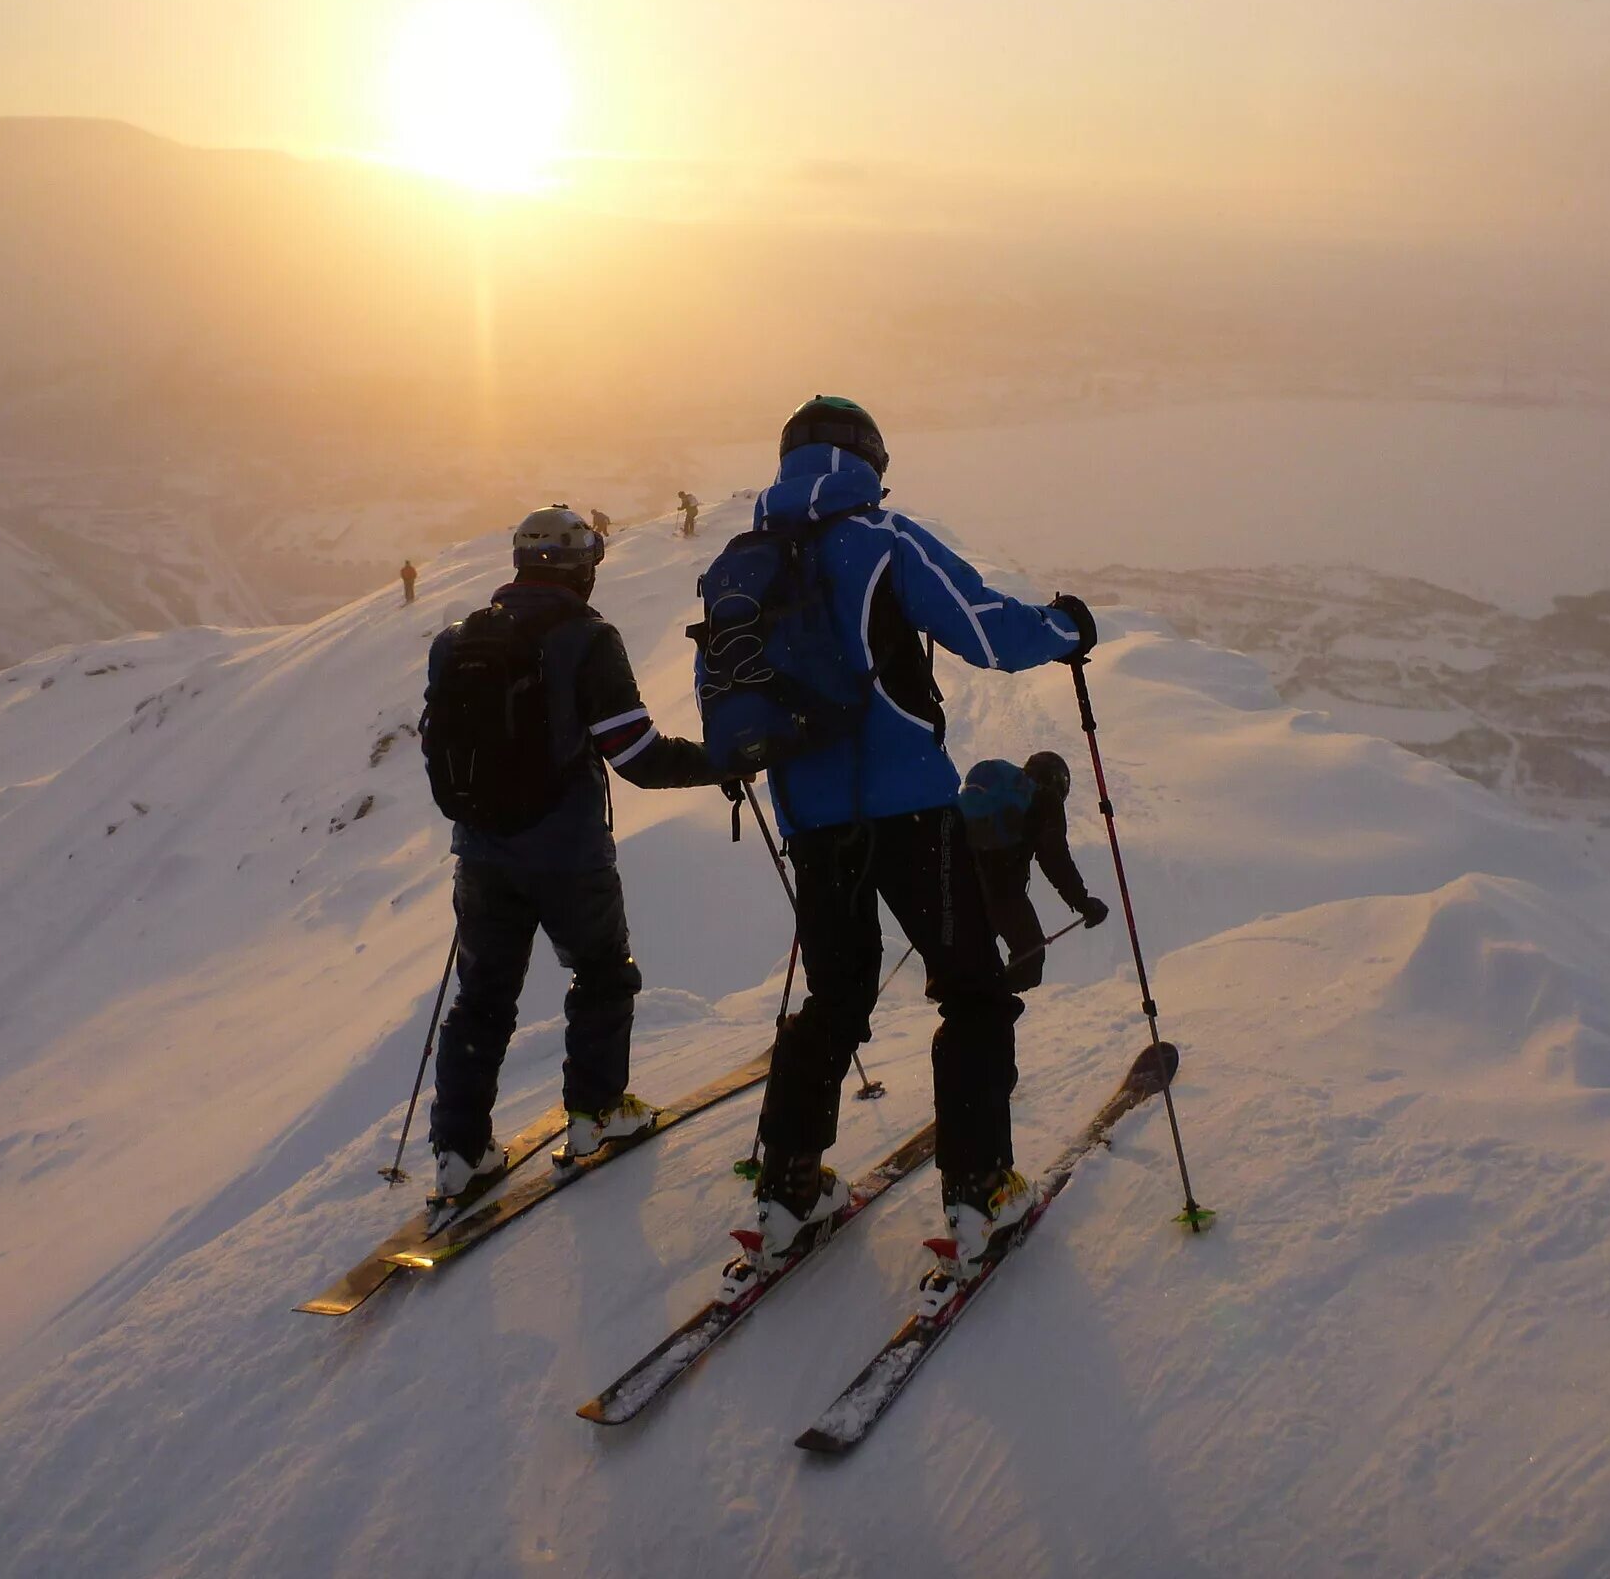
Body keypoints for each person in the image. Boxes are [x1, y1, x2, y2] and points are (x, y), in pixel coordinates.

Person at [711, 397, 1097, 1278]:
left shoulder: (743, 563)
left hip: (812, 823)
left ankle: (788, 1190)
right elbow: (986, 629)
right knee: (970, 992)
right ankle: (980, 1191)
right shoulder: (882, 539)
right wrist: (1069, 628)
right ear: (869, 461)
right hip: (914, 815)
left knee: (837, 1000)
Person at [420, 505, 729, 1227]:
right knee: (602, 973)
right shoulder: (587, 639)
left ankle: (459, 1151)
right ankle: (595, 1113)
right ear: (582, 566)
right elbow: (635, 755)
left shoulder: (455, 641)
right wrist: (720, 764)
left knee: (482, 997)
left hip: (482, 853)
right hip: (567, 852)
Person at [961, 751, 1110, 992]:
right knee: (1029, 961)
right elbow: (1055, 860)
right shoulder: (1044, 800)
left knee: (980, 959)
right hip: (1004, 889)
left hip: (964, 882)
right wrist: (1083, 903)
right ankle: (986, 1007)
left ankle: (970, 1009)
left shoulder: (1003, 796)